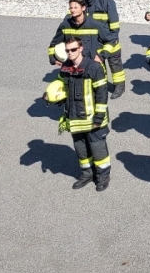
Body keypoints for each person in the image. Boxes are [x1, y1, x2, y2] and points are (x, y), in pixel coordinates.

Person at [45, 36, 111, 191]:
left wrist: (99, 117)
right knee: (81, 148)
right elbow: (62, 85)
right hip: (74, 118)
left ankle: (103, 176)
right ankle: (87, 174)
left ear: (81, 48)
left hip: (93, 118)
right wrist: (53, 96)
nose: (70, 53)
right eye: (67, 50)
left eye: (73, 49)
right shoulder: (65, 68)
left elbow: (102, 93)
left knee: (98, 148)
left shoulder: (94, 67)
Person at [82, 0, 126, 99]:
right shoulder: (83, 1)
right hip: (94, 40)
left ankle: (120, 87)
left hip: (109, 38)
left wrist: (114, 37)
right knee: (99, 65)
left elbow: (114, 22)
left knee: (115, 64)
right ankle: (102, 87)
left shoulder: (106, 0)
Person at [49, 0, 115, 67]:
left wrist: (101, 56)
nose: (73, 10)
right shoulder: (65, 25)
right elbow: (53, 45)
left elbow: (111, 40)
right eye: (71, 8)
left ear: (83, 8)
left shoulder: (95, 24)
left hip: (93, 66)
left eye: (75, 8)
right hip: (72, 67)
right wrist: (53, 59)